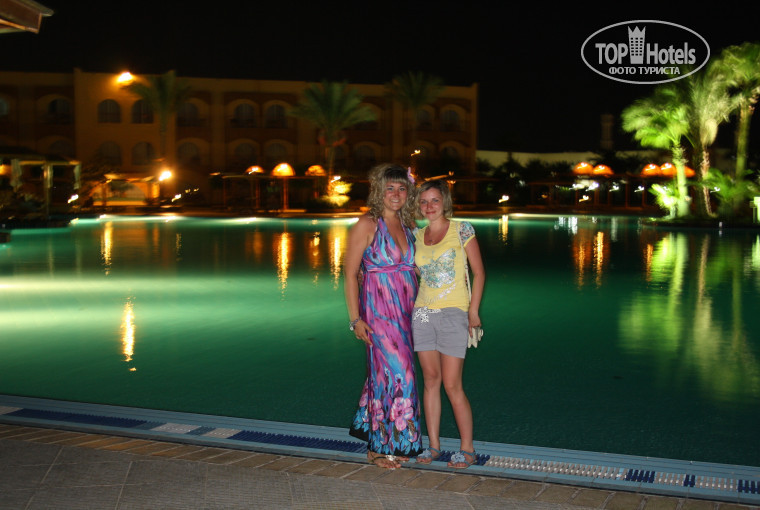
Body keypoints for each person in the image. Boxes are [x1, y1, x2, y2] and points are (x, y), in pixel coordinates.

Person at [345, 163, 423, 469]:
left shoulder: (408, 224)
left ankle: (385, 437)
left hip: (407, 313)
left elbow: (418, 267)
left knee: (385, 374)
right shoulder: (367, 224)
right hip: (378, 313)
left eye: (402, 188)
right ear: (378, 191)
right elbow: (350, 274)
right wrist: (355, 319)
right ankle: (378, 449)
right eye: (390, 188)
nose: (396, 194)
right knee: (401, 373)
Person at [412, 179, 485, 469]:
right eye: (423, 201)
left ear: (445, 202)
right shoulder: (417, 235)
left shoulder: (461, 229)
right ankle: (433, 446)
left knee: (453, 385)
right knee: (430, 381)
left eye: (434, 200)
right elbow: (417, 273)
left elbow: (479, 273)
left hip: (454, 312)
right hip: (422, 313)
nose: (429, 206)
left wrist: (473, 311)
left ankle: (467, 449)